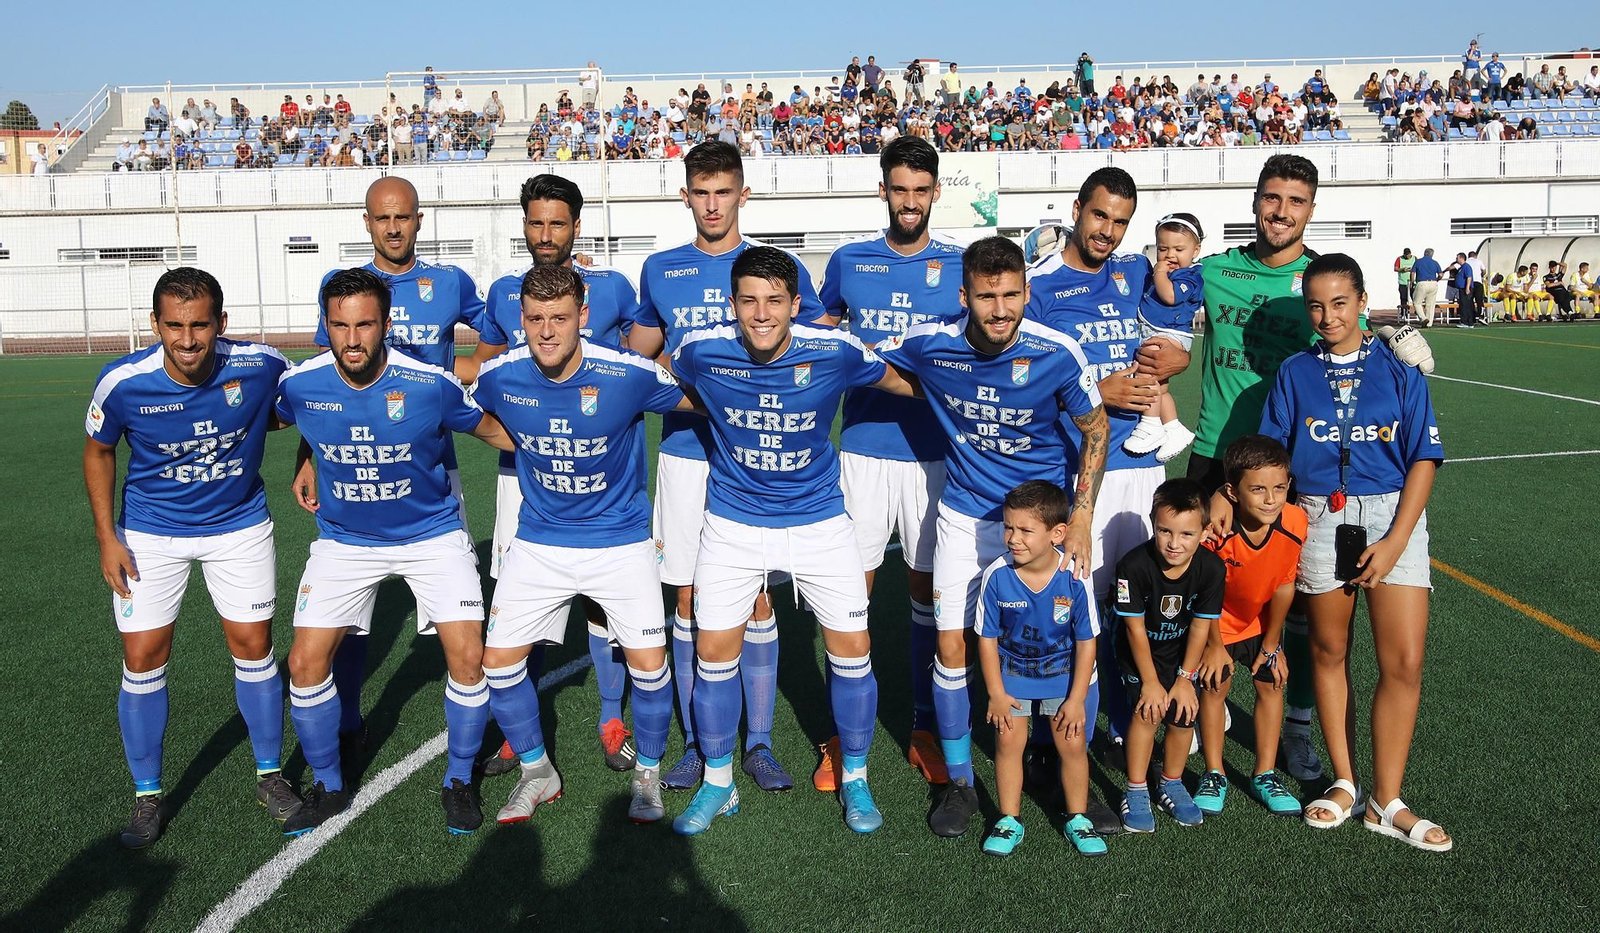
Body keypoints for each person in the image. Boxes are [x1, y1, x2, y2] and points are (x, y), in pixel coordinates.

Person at [667, 246, 921, 836]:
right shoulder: (701, 349)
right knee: (713, 653)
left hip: (819, 523)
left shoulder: (834, 350)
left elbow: (901, 381)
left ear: (796, 304)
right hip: (732, 523)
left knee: (852, 649)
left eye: (774, 301)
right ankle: (719, 783)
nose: (761, 314)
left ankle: (855, 776)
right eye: (749, 301)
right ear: (732, 304)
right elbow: (663, 382)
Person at [874, 236, 1109, 839]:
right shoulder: (931, 343)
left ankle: (1063, 767)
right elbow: (876, 365)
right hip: (965, 518)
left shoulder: (1057, 351)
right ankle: (959, 781)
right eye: (986, 297)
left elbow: (1096, 427)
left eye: (1010, 295)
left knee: (1068, 639)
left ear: (1027, 291)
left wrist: (1082, 516)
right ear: (964, 296)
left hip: (1045, 527)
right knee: (952, 646)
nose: (1000, 309)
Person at [275, 268, 513, 836]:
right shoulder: (300, 385)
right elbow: (269, 420)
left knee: (468, 656)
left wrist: (567, 442)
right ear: (325, 325)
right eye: (340, 326)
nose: (352, 339)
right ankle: (330, 785)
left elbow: (490, 430)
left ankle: (459, 778)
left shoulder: (429, 383)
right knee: (304, 664)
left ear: (385, 324)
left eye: (364, 325)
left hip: (432, 535)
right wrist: (305, 456)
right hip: (345, 541)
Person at [625, 142, 827, 793]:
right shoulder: (661, 269)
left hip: (760, 455)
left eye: (724, 191)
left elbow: (815, 344)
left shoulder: (775, 268)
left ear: (744, 194)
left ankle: (759, 743)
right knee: (688, 595)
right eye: (701, 192)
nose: (713, 205)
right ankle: (698, 743)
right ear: (685, 195)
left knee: (758, 597)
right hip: (687, 453)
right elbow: (639, 356)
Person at [84, 268, 298, 848]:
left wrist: (306, 457)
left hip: (239, 528)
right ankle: (147, 795)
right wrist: (106, 537)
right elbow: (99, 452)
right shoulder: (122, 382)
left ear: (220, 323)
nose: (187, 339)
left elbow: (309, 401)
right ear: (155, 324)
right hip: (149, 535)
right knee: (144, 656)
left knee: (253, 646)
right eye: (174, 326)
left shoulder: (260, 364)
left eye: (200, 325)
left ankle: (269, 775)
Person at [472, 265, 694, 824]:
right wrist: (524, 441)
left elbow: (701, 398)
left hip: (619, 543)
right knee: (498, 664)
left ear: (583, 317)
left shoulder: (628, 373)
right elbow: (467, 414)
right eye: (535, 319)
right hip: (538, 542)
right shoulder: (501, 375)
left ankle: (647, 774)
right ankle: (537, 771)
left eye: (560, 318)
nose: (547, 331)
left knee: (649, 667)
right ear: (522, 319)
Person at [295, 177, 487, 778]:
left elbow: (500, 335)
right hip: (356, 466)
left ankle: (473, 741)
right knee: (352, 618)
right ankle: (349, 721)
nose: (394, 227)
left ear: (419, 220)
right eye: (383, 218)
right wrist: (306, 455)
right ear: (367, 223)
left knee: (460, 627)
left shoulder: (450, 281)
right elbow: (324, 383)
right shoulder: (341, 287)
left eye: (403, 216)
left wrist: (464, 371)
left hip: (432, 465)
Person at [1261, 253, 1451, 852]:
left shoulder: (1400, 367)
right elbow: (1273, 453)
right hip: (1322, 516)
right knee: (1328, 651)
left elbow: (1423, 457)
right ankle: (1345, 781)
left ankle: (1386, 800)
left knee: (1404, 662)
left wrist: (1394, 541)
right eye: (1316, 306)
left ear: (1363, 301)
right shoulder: (1295, 371)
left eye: (1340, 303)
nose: (1328, 317)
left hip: (1394, 518)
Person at [461, 174, 647, 778]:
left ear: (576, 226)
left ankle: (611, 718)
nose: (546, 235)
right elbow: (485, 368)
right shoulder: (502, 292)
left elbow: (638, 362)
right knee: (523, 599)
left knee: (601, 602)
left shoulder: (613, 286)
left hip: (601, 476)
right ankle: (521, 731)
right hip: (525, 470)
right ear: (524, 225)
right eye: (536, 223)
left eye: (557, 223)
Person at [1023, 171, 1192, 791]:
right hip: (1079, 472)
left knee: (1132, 608)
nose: (1108, 232)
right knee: (1073, 612)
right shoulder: (1038, 284)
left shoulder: (1137, 274)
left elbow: (1175, 340)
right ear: (1076, 210)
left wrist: (1179, 356)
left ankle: (1124, 730)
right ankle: (1051, 737)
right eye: (1099, 216)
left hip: (1143, 469)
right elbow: (1021, 381)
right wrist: (1097, 391)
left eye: (1121, 222)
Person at [814, 136, 966, 791]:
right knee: (850, 597)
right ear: (884, 190)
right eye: (899, 189)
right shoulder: (849, 260)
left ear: (935, 192)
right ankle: (840, 736)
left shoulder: (959, 265)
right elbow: (819, 330)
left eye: (920, 190)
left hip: (935, 454)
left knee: (929, 596)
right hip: (863, 452)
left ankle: (925, 726)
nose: (909, 202)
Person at [976, 481, 1105, 858]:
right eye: (1008, 527)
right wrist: (996, 693)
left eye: (1025, 530)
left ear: (1058, 533)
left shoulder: (1075, 576)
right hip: (1013, 675)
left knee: (1073, 746)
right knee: (1007, 743)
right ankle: (1009, 820)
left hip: (1062, 677)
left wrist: (1077, 699)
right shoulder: (996, 576)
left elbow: (1087, 641)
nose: (1013, 538)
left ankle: (1078, 817)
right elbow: (986, 638)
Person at [1192, 434, 1304, 817]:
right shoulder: (1216, 532)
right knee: (1214, 684)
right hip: (1216, 622)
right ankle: (1214, 772)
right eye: (1258, 489)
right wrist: (1213, 646)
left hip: (1260, 623)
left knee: (1272, 682)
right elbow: (1203, 593)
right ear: (1232, 493)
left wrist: (1273, 645)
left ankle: (1265, 773)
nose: (1271, 499)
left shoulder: (1295, 521)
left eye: (1279, 488)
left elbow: (1285, 585)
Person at [1111, 478, 1225, 833]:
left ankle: (1171, 782)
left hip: (1181, 654)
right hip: (1139, 654)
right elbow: (1133, 630)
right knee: (1148, 712)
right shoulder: (1133, 566)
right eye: (1165, 531)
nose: (1174, 543)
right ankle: (1136, 789)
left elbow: (1200, 627)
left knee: (1183, 715)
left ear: (1205, 531)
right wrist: (1149, 682)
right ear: (1153, 523)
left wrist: (1185, 680)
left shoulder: (1212, 568)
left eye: (1187, 534)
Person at [1124, 213, 1205, 463]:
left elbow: (1170, 297)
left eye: (1179, 249)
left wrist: (1158, 273)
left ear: (1195, 250)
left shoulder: (1189, 276)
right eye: (1163, 249)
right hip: (1156, 329)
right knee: (1160, 387)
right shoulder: (1170, 272)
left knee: (1147, 375)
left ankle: (1150, 425)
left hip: (1169, 334)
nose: (1170, 255)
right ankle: (1173, 427)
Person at [1412, 248, 1443, 326]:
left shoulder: (1418, 261)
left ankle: (1423, 318)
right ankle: (1429, 323)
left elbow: (1412, 273)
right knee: (1430, 305)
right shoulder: (1435, 262)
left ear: (1424, 253)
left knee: (1417, 302)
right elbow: (1440, 274)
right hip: (1433, 283)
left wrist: (1412, 283)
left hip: (1422, 283)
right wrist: (1437, 280)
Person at [1452, 251, 1477, 328]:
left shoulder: (1466, 266)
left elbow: (1469, 277)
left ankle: (1467, 322)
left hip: (1465, 288)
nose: (1456, 259)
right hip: (1461, 289)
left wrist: (1467, 287)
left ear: (1461, 258)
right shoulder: (1461, 267)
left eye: (1457, 258)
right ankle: (1465, 321)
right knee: (1463, 305)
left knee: (1466, 305)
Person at [1395, 249, 1416, 323]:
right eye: (1405, 255)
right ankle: (1404, 314)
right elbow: (1396, 268)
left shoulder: (1415, 258)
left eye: (1408, 254)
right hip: (1403, 282)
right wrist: (1403, 269)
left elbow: (1418, 267)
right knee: (1403, 299)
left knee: (1415, 298)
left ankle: (1418, 312)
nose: (1407, 256)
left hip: (1413, 282)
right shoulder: (1399, 259)